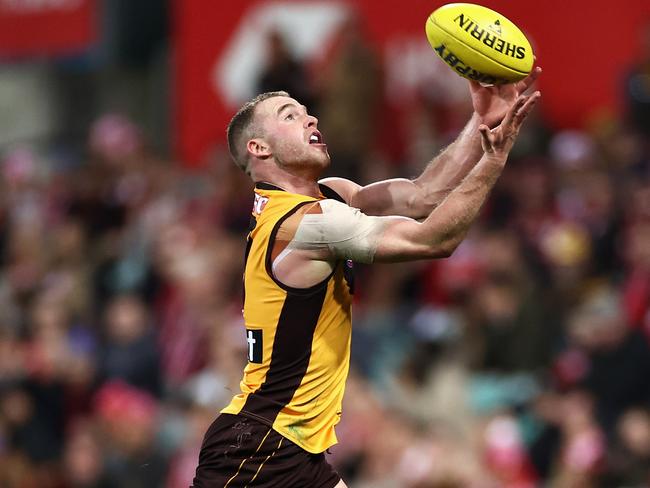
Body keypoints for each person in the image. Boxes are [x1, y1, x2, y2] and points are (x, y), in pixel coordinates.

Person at [192, 68, 542, 487]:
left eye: (307, 112)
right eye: (290, 115)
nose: (311, 119)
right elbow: (434, 240)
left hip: (292, 450)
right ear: (259, 148)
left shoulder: (327, 196)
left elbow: (422, 195)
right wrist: (494, 158)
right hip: (257, 451)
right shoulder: (304, 223)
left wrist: (482, 120)